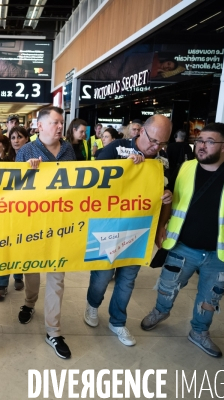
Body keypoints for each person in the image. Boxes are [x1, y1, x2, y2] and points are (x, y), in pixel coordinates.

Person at [140, 122, 224, 358]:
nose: (201, 146)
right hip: (182, 246)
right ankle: (160, 311)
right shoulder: (185, 168)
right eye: (199, 141)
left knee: (210, 297)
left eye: (209, 142)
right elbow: (170, 201)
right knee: (166, 286)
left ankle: (199, 331)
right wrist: (161, 226)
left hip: (220, 253)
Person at [85, 115, 173, 347]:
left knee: (127, 280)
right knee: (102, 276)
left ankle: (118, 321)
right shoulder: (117, 148)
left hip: (140, 229)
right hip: (108, 228)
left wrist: (167, 200)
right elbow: (93, 182)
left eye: (162, 143)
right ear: (141, 132)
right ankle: (92, 306)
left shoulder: (162, 159)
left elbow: (166, 194)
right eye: (153, 140)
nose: (156, 147)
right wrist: (124, 170)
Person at [16, 106, 76, 359]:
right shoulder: (25, 151)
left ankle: (54, 330)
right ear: (39, 126)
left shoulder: (69, 149)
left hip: (61, 224)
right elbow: (13, 190)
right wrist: (27, 173)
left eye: (61, 122)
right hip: (33, 224)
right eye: (54, 122)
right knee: (31, 269)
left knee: (57, 277)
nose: (60, 126)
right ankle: (29, 303)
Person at [0, 132, 24, 300]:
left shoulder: (29, 158)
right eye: (13, 138)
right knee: (3, 245)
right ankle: (2, 283)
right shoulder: (1, 162)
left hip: (24, 208)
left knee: (19, 243)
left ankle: (18, 276)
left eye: (20, 137)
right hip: (3, 208)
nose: (16, 141)